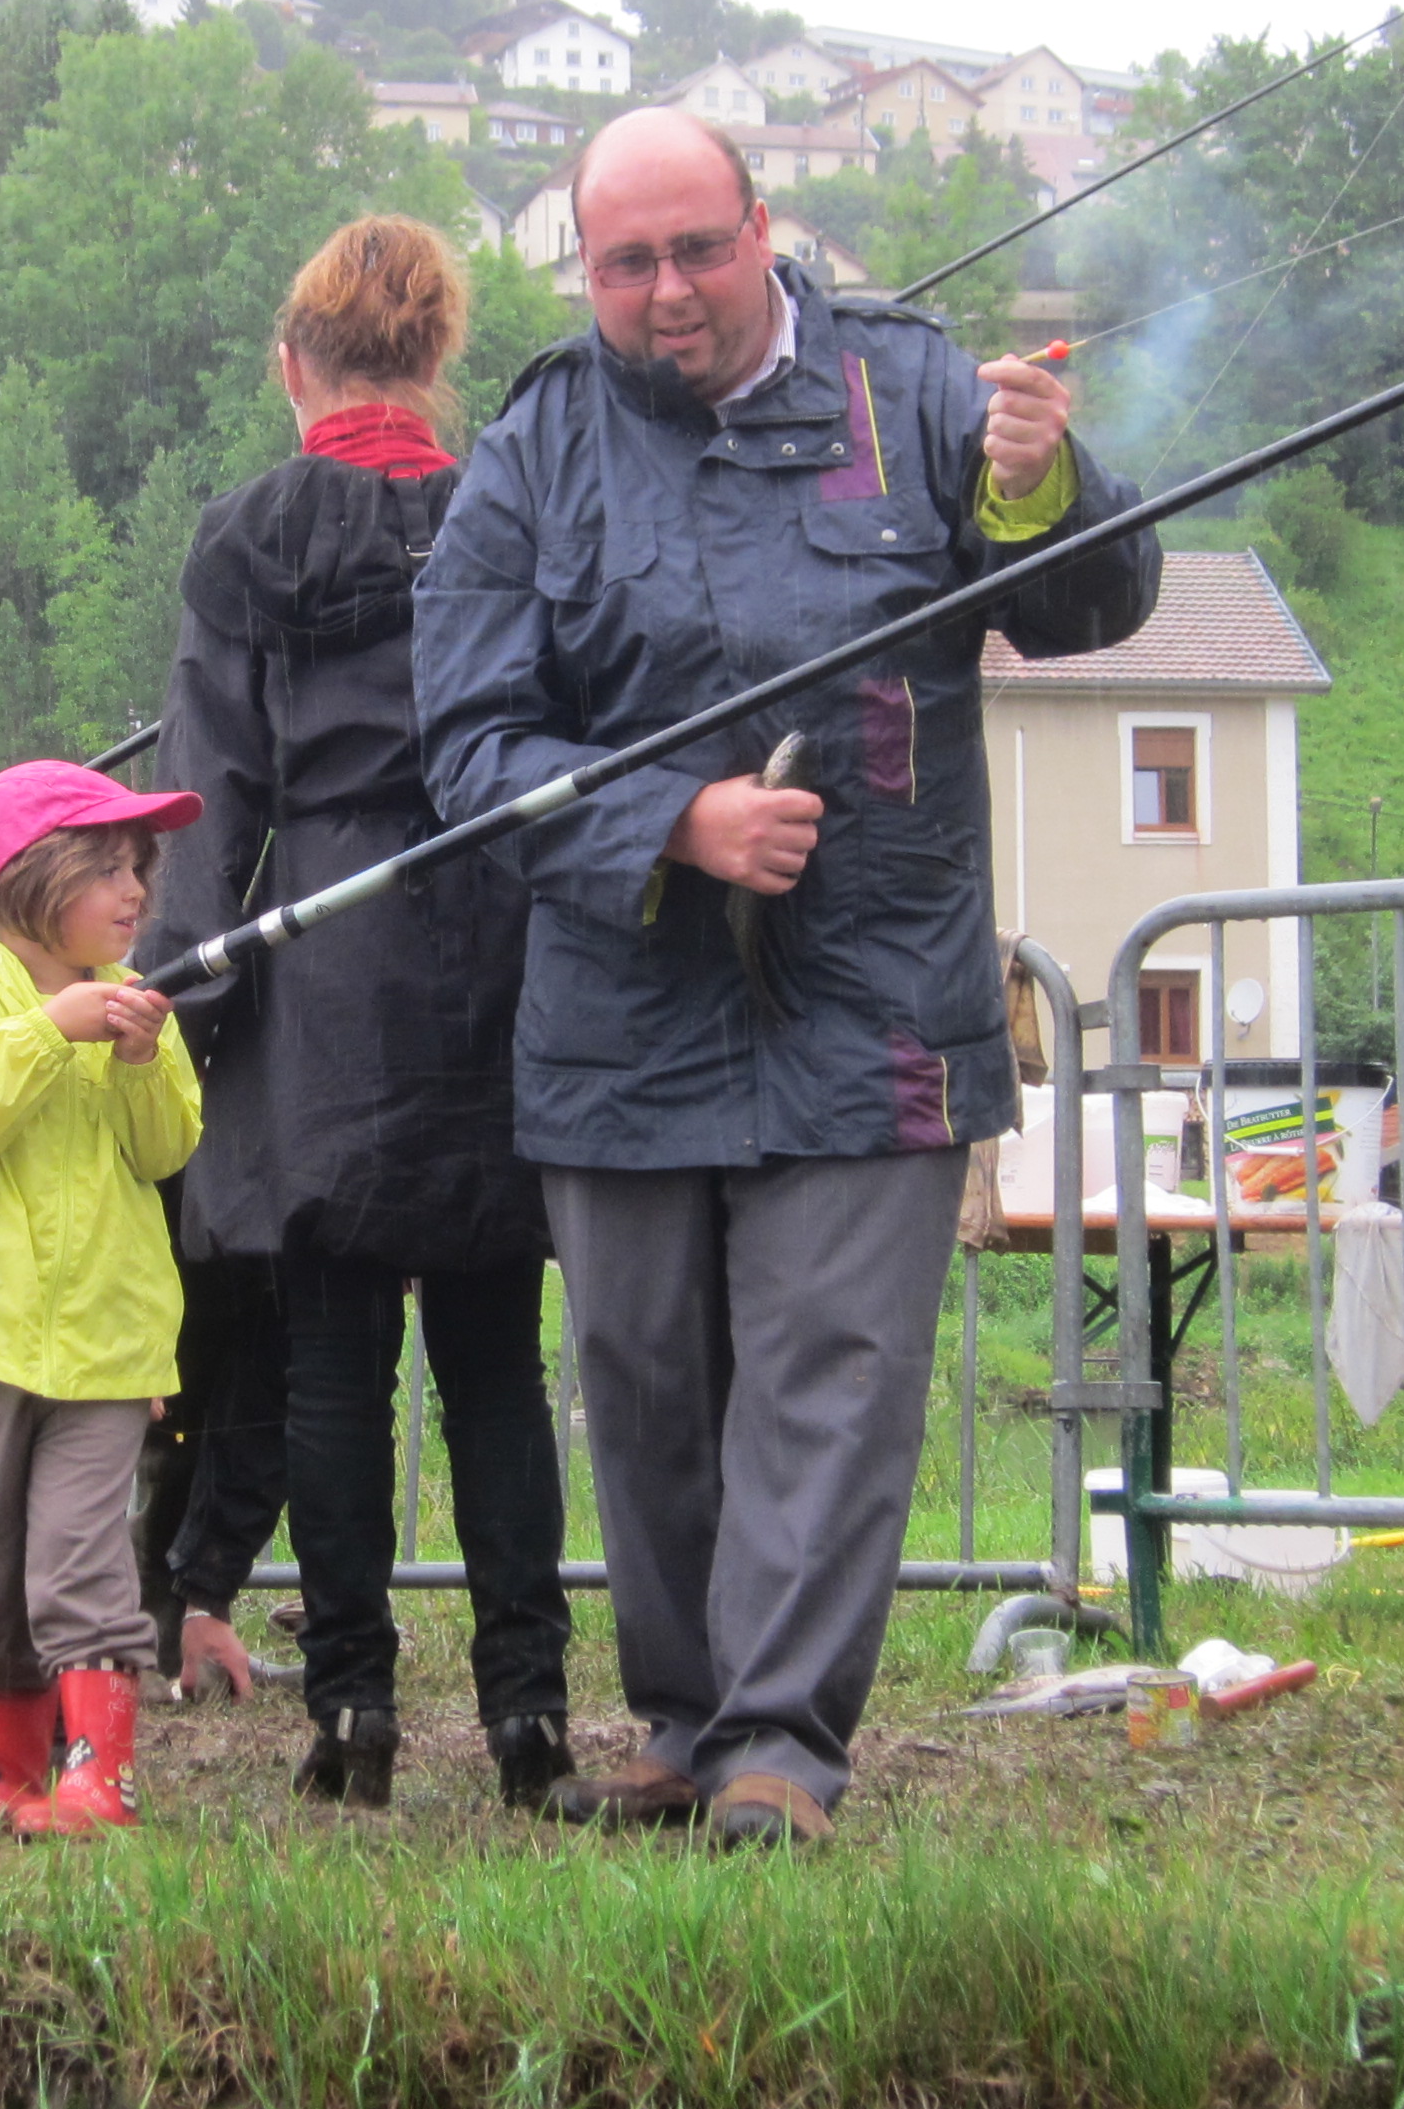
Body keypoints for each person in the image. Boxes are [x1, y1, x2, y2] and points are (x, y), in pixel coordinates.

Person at [413, 110, 1158, 1848]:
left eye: (696, 248)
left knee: (831, 1370)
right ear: (582, 270)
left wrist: (1043, 488)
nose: (666, 290)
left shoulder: (920, 393)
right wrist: (670, 822)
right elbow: (466, 741)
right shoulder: (535, 445)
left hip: (871, 1002)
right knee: (646, 1381)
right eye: (625, 263)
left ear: (762, 226)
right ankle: (684, 1725)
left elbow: (1092, 607)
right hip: (617, 1011)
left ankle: (776, 1752)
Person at [142, 213, 573, 1813]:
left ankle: (352, 1714)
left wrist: (170, 998)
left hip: (324, 968)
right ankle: (529, 1717)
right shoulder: (506, 514)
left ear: (292, 367)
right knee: (494, 1362)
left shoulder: (248, 540)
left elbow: (210, 795)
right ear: (440, 355)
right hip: (498, 950)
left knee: (332, 1365)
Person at [0, 761, 204, 1836]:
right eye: (108, 870)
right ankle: (9, 1771)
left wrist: (141, 1060)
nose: (136, 892)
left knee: (80, 1556)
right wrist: (48, 1031)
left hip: (106, 1340)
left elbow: (166, 1150)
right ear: (30, 882)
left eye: (138, 870)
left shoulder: (135, 1000)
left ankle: (99, 1779)